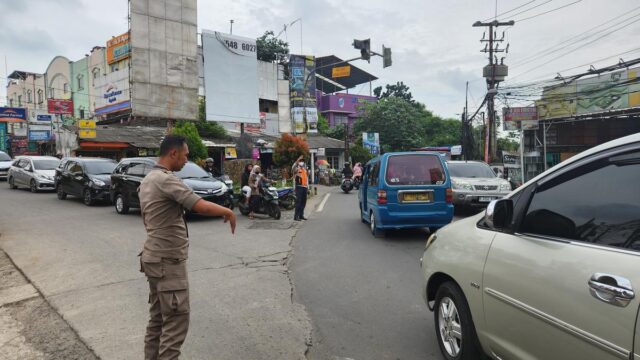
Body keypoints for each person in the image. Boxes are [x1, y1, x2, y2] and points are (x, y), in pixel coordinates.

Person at [138, 135, 236, 360]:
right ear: (173, 153)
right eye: (186, 154)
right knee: (175, 322)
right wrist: (228, 211)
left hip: (153, 258)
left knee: (158, 320)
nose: (187, 159)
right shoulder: (166, 180)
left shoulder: (148, 179)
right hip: (167, 262)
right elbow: (199, 205)